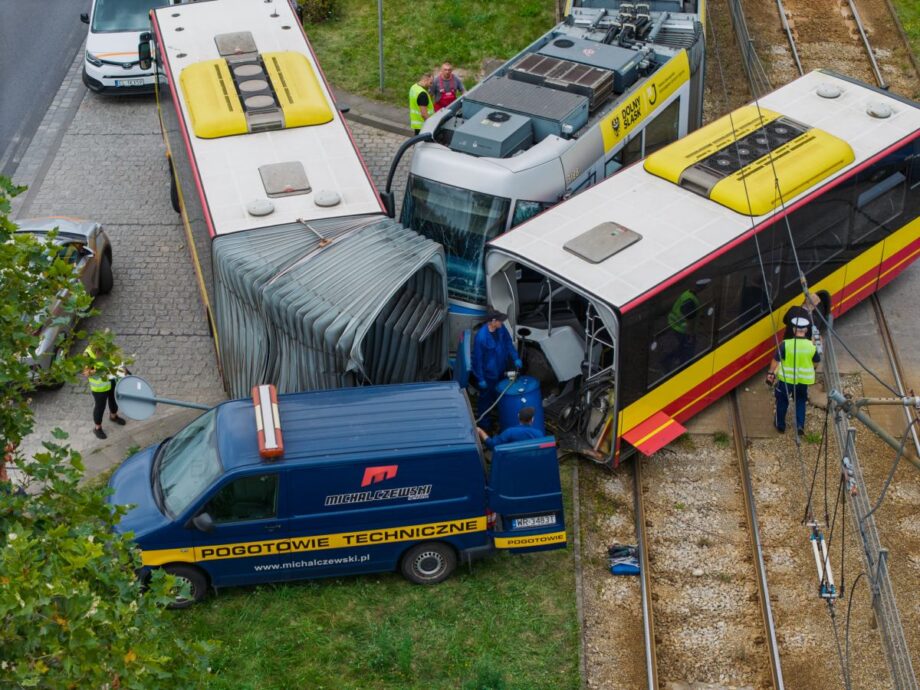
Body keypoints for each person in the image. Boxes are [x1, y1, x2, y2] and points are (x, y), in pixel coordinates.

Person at [766, 317, 820, 435]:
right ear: (806, 330)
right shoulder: (811, 346)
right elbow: (816, 361)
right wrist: (812, 368)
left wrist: (771, 373)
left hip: (786, 379)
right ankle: (800, 425)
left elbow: (776, 360)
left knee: (782, 401)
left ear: (794, 329)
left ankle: (780, 426)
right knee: (800, 401)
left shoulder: (786, 344)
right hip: (803, 380)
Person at [471, 309, 522, 430]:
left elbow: (508, 343)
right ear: (493, 321)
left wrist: (515, 357)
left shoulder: (501, 328)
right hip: (489, 375)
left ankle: (501, 416)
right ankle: (484, 425)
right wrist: (480, 378)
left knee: (500, 393)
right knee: (486, 399)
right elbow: (477, 360)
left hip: (501, 368)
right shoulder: (481, 337)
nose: (502, 322)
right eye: (500, 320)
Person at [84, 344, 128, 440]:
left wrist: (123, 369)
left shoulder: (108, 346)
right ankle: (97, 428)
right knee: (100, 407)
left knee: (114, 399)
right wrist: (96, 371)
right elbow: (86, 373)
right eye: (99, 353)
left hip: (112, 380)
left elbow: (117, 360)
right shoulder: (87, 355)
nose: (101, 354)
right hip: (99, 387)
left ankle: (113, 416)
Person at [477, 406, 542, 450]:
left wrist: (480, 431)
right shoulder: (539, 434)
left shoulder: (509, 432)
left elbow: (492, 445)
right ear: (532, 419)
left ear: (518, 416)